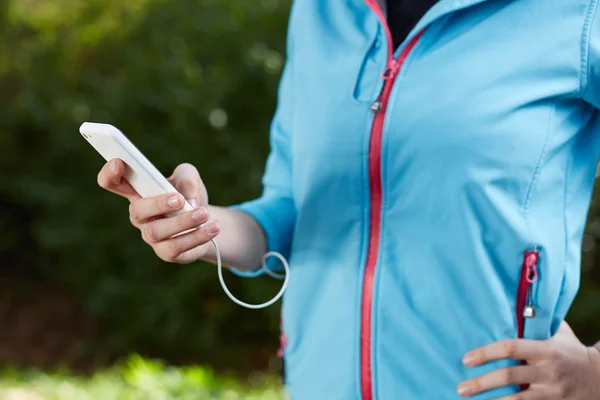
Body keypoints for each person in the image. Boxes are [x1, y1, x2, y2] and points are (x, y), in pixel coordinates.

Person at [97, 0, 600, 398]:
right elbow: (291, 209)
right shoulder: (320, 11)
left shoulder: (576, 14)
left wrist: (595, 373)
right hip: (318, 385)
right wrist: (198, 227)